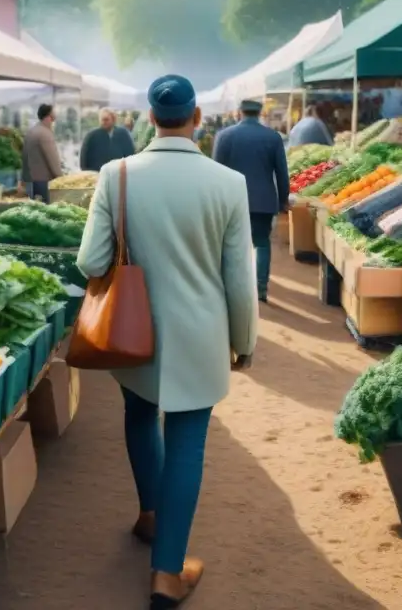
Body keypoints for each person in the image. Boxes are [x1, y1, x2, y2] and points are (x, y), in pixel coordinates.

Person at [76, 74, 257, 609]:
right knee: (187, 442)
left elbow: (89, 261)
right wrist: (243, 340)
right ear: (197, 117)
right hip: (200, 337)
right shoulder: (227, 183)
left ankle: (150, 516)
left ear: (149, 119)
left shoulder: (117, 174)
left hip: (133, 334)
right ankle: (167, 573)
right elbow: (238, 280)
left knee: (137, 412)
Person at [213, 98, 289, 303]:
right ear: (260, 113)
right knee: (262, 243)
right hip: (263, 202)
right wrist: (283, 200)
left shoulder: (224, 136)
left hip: (231, 201)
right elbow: (282, 173)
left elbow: (215, 172)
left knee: (232, 245)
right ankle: (261, 289)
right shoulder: (273, 137)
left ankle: (234, 290)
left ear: (240, 112)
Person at [21, 103, 62, 202]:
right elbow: (53, 161)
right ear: (48, 117)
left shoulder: (31, 131)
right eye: (53, 118)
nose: (54, 121)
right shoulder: (45, 134)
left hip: (30, 181)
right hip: (43, 182)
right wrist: (62, 180)